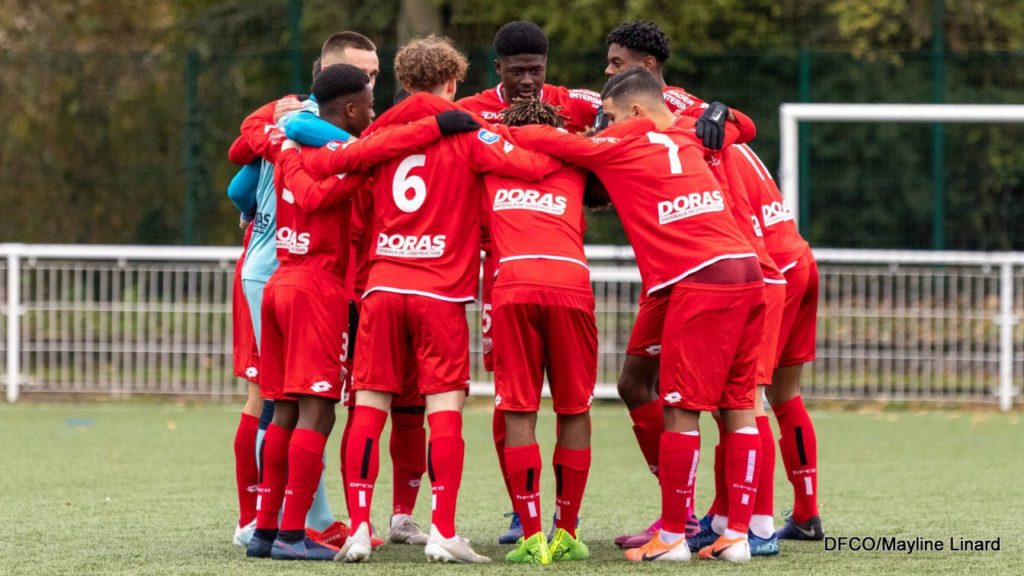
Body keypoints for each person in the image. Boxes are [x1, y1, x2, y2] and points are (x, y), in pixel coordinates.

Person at [510, 67, 765, 563]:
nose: (603, 126)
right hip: (746, 270)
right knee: (737, 404)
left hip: (700, 277)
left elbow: (541, 139)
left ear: (633, 110)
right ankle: (736, 536)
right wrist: (721, 110)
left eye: (608, 117)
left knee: (680, 407)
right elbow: (744, 127)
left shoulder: (619, 144)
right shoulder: (689, 134)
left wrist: (494, 128)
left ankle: (672, 537)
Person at [323, 35, 560, 564]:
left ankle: (359, 528)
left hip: (382, 285)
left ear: (405, 82)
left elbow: (348, 169)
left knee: (370, 406)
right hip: (439, 290)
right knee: (443, 409)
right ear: (453, 82)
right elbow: (530, 167)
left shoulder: (380, 128)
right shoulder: (468, 128)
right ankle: (443, 532)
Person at [245, 63, 482, 561]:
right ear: (350, 108)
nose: (374, 115)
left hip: (279, 282)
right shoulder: (344, 158)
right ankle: (291, 534)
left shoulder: (288, 142)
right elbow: (324, 188)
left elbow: (248, 155)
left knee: (281, 409)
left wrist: (283, 143)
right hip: (319, 288)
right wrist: (365, 170)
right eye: (369, 106)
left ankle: (265, 531)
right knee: (319, 412)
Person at [601, 19, 760, 549]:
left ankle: (700, 525)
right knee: (636, 384)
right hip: (683, 274)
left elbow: (744, 125)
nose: (607, 72)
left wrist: (723, 111)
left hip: (705, 268)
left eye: (616, 63)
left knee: (695, 402)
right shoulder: (630, 108)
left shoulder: (678, 112)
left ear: (645, 70)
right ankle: (715, 524)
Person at [456, 19, 601, 544]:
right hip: (504, 267)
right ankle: (528, 511)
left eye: (535, 71)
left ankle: (539, 519)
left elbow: (637, 101)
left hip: (524, 270)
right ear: (498, 68)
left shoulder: (573, 103)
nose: (526, 81)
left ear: (546, 68)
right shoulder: (473, 110)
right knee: (514, 398)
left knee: (520, 400)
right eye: (516, 71)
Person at [483, 98, 597, 564]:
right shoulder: (576, 159)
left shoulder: (488, 158)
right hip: (570, 282)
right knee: (574, 408)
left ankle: (531, 537)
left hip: (512, 282)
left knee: (518, 408)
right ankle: (565, 532)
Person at [735, 142, 824, 542]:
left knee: (746, 398)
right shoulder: (723, 127)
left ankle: (757, 524)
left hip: (772, 269)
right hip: (799, 257)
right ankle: (806, 514)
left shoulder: (695, 136)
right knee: (785, 396)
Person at [226, 163, 263, 547]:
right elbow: (238, 189)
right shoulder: (288, 134)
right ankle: (250, 518)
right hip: (265, 272)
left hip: (273, 269)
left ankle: (268, 514)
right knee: (263, 394)